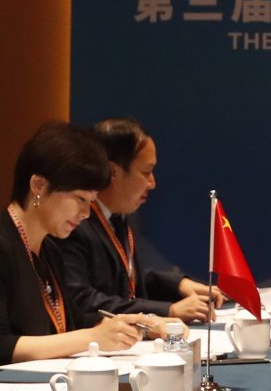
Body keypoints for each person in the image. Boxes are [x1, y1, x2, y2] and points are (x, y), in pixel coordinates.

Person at [0, 122, 157, 374]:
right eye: (80, 199)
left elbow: (73, 321)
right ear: (38, 185)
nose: (86, 213)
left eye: (91, 201)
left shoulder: (49, 249)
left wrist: (122, 325)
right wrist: (92, 337)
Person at [54, 117, 221, 322]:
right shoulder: (73, 223)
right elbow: (82, 301)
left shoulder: (122, 216)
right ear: (113, 172)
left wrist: (179, 285)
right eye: (146, 172)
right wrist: (168, 310)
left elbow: (129, 282)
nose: (152, 183)